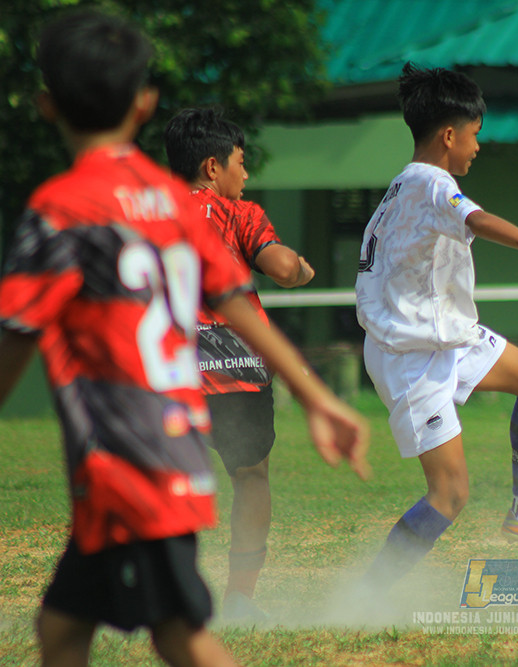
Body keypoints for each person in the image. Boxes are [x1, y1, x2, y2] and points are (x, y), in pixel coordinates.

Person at [0, 10, 368, 666]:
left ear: (46, 107)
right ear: (143, 104)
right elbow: (245, 304)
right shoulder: (168, 205)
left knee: (179, 637)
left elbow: (15, 337)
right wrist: (315, 395)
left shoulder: (61, 208)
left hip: (128, 455)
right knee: (64, 630)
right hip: (168, 437)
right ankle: (245, 592)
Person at [355, 62, 518, 587]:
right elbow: (479, 220)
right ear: (449, 135)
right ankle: (369, 594)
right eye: (475, 135)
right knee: (449, 497)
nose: (477, 146)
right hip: (409, 355)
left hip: (446, 335)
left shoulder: (405, 185)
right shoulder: (430, 183)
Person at [164, 107, 315, 622]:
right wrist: (301, 268)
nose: (245, 175)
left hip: (165, 367)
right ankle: (239, 599)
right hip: (233, 367)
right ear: (213, 166)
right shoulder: (242, 213)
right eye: (241, 163)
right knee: (250, 477)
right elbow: (281, 266)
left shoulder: (150, 210)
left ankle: (160, 593)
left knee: (165, 479)